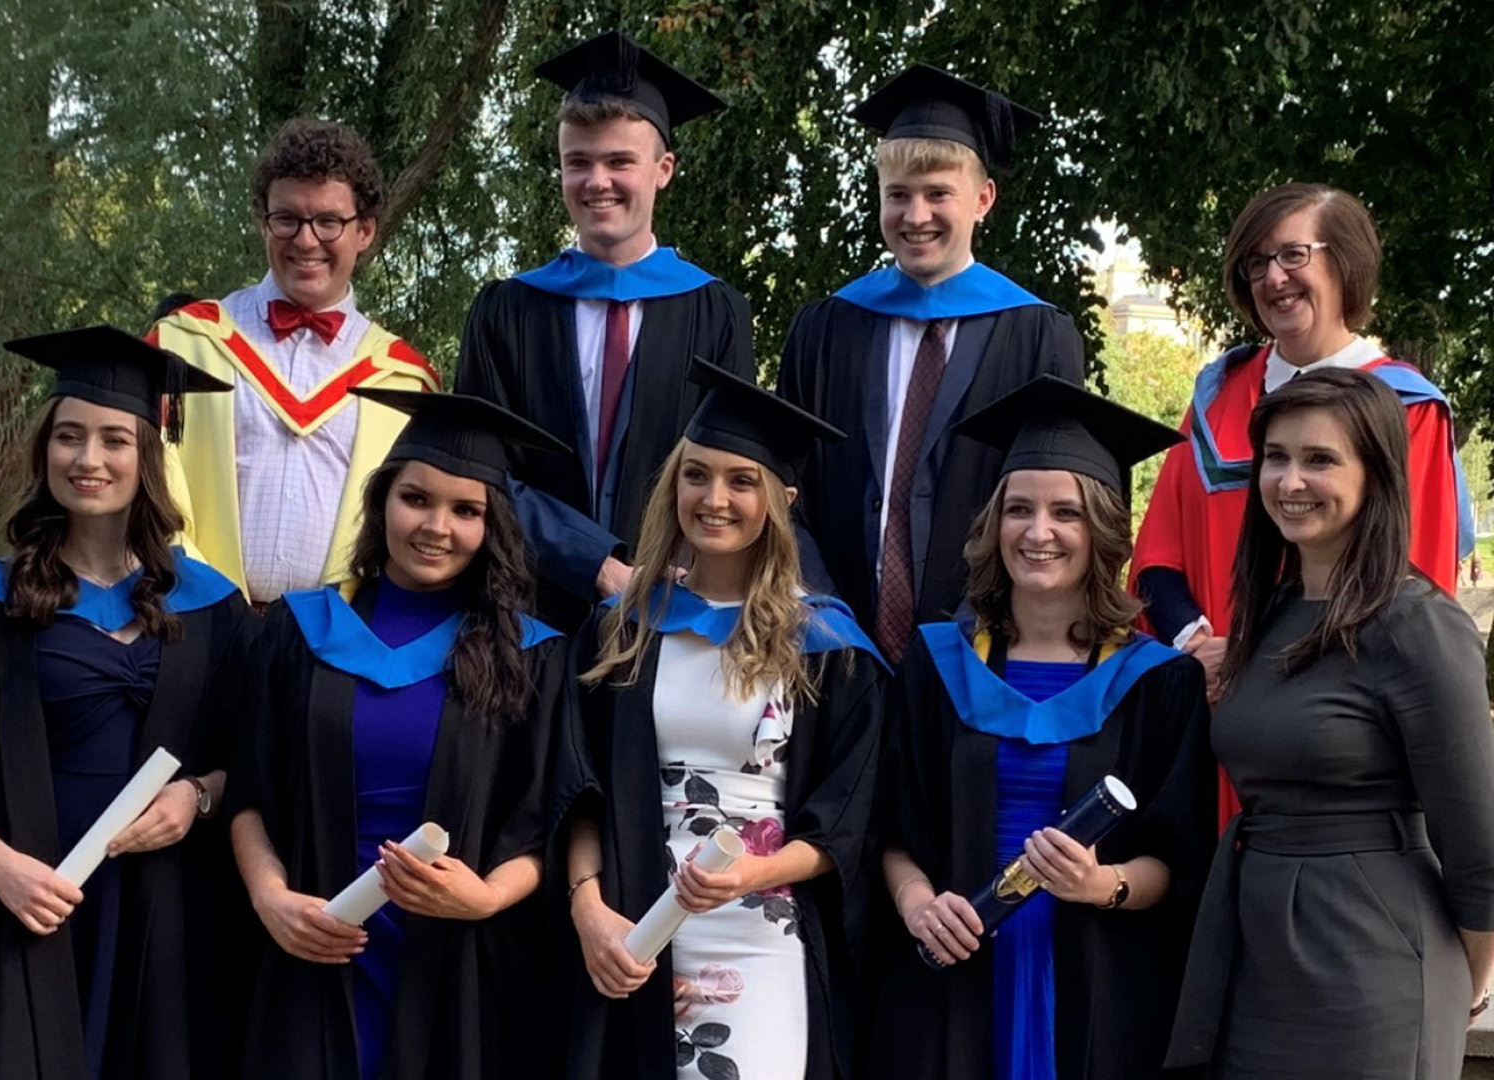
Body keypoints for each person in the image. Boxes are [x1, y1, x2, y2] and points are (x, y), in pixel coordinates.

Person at [0, 326, 256, 1079]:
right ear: (44, 451)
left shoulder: (214, 607)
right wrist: (0, 867)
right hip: (26, 903)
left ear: (146, 458)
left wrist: (196, 797)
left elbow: (252, 758)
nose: (88, 459)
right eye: (69, 437)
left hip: (167, 913)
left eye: (113, 440)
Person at [874, 375, 1215, 1080]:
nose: (1039, 533)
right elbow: (891, 830)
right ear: (993, 525)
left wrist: (1105, 883)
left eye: (1067, 513)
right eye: (1019, 509)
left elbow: (1181, 861)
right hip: (955, 968)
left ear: (1102, 530)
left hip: (1096, 974)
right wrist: (917, 906)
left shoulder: (1157, 682)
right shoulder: (936, 666)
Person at [556, 361, 888, 1080]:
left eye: (742, 481)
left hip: (757, 932)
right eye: (696, 475)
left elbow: (847, 816)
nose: (715, 499)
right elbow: (576, 786)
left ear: (781, 500)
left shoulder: (823, 644)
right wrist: (587, 909)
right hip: (630, 927)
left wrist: (754, 872)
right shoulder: (621, 630)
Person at [227, 389, 571, 1080]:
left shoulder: (532, 655)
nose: (436, 526)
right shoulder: (300, 631)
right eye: (416, 499)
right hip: (311, 942)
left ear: (491, 524)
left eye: (465, 510)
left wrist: (487, 896)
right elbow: (248, 788)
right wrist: (271, 899)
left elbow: (547, 818)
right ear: (383, 500)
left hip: (455, 960)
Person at [1165, 368, 1494, 1080]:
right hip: (1254, 953)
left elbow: (1478, 844)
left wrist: (1453, 985)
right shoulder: (1271, 612)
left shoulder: (1417, 625)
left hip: (1368, 964)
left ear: (1375, 474)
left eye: (1320, 459)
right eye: (1276, 458)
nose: (1289, 481)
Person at [776, 64, 1085, 662]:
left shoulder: (1037, 336)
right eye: (898, 196)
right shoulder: (826, 329)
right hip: (830, 649)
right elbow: (785, 489)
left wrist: (970, 632)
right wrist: (822, 617)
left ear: (983, 199)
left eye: (938, 193)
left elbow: (1048, 498)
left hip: (981, 649)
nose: (916, 216)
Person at [455, 30, 756, 627]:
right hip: (528, 613)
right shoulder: (508, 310)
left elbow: (729, 468)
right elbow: (480, 469)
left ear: (663, 169)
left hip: (675, 609)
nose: (598, 182)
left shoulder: (715, 311)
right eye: (578, 163)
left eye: (620, 161)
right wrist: (598, 564)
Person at [1133, 183, 1471, 701]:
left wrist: (1277, 669)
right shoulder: (1217, 398)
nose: (1274, 277)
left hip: (1337, 709)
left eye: (1294, 255)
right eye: (1257, 262)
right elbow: (1158, 556)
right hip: (1212, 701)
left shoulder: (1407, 408)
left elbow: (1416, 578)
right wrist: (1195, 643)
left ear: (1346, 263)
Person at [149, 118, 440, 606]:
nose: (306, 241)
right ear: (263, 220)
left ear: (365, 230)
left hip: (339, 644)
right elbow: (148, 483)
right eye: (286, 219)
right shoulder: (184, 344)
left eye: (329, 222)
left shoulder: (407, 381)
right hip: (193, 621)